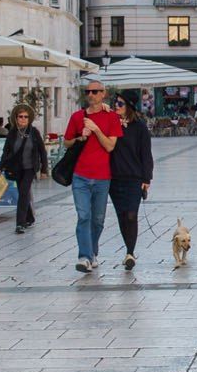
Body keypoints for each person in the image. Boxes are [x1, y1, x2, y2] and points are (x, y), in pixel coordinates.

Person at [64, 80, 123, 273]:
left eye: (95, 91)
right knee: (83, 216)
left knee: (97, 220)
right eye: (88, 91)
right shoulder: (76, 117)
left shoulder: (111, 117)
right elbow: (66, 143)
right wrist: (80, 137)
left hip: (102, 177)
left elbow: (109, 146)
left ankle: (92, 251)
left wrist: (96, 129)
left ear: (103, 94)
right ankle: (84, 257)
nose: (91, 94)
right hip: (80, 175)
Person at [108, 91, 153, 270]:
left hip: (134, 177)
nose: (116, 106)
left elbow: (146, 153)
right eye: (115, 103)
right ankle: (128, 250)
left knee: (131, 215)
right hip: (113, 177)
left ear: (129, 106)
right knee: (121, 216)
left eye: (120, 103)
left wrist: (146, 177)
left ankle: (130, 252)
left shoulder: (139, 127)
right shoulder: (110, 124)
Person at [0, 104, 48, 234]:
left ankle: (20, 223)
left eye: (26, 117)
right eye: (21, 117)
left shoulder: (34, 132)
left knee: (24, 192)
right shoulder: (12, 133)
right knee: (22, 193)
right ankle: (30, 217)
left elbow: (42, 151)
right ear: (16, 118)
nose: (23, 119)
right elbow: (6, 152)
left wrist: (44, 170)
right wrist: (0, 168)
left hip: (30, 168)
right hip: (16, 168)